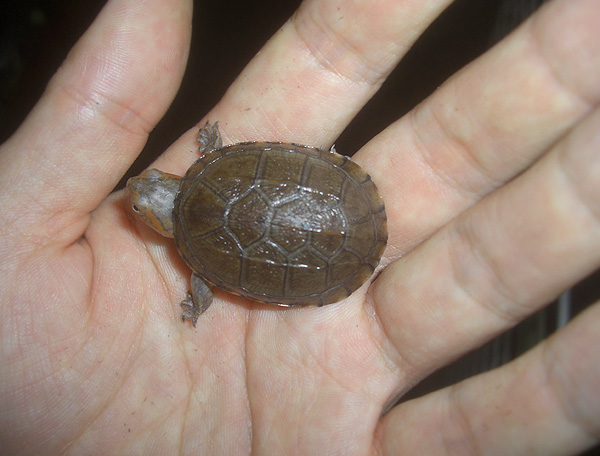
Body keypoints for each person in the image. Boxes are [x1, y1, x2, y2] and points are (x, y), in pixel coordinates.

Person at [1, 0, 598, 454]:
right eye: (144, 200)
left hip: (325, 229)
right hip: (334, 203)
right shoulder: (210, 176)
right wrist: (212, 150)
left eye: (151, 183)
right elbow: (211, 263)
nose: (144, 188)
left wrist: (193, 305)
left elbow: (205, 290)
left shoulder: (197, 252)